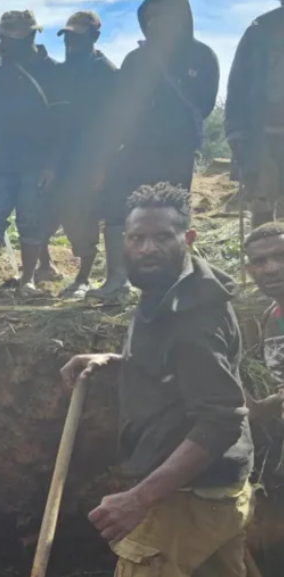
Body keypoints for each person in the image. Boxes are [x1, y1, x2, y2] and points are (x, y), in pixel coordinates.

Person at [61, 183, 254, 577]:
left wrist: (139, 499)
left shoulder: (192, 318)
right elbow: (178, 371)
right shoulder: (169, 290)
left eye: (162, 237)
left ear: (189, 238)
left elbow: (220, 419)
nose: (148, 248)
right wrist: (117, 360)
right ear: (123, 242)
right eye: (137, 238)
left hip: (185, 500)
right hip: (215, 493)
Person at [90, 0, 219, 300]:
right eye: (151, 17)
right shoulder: (136, 59)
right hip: (135, 149)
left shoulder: (201, 56)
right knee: (117, 210)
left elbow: (205, 103)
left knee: (170, 215)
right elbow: (118, 109)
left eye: (165, 16)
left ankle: (171, 281)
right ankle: (118, 280)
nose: (157, 22)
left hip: (177, 151)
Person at [0, 10, 65, 297]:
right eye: (1, 39)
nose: (1, 47)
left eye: (8, 41)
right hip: (0, 163)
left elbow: (61, 126)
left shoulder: (52, 73)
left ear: (29, 39)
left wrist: (51, 166)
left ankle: (27, 281)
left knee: (31, 223)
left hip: (35, 165)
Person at [37, 12, 118, 297]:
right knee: (42, 213)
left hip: (88, 159)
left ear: (94, 37)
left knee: (80, 216)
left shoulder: (106, 73)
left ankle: (84, 278)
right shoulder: (60, 72)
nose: (71, 42)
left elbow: (114, 125)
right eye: (68, 37)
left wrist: (101, 166)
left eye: (78, 37)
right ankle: (43, 267)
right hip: (56, 157)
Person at [227, 1, 284, 228]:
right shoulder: (260, 29)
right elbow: (238, 89)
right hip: (264, 140)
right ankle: (264, 262)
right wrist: (237, 137)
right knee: (263, 212)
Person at [241, 222, 284, 421]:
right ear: (250, 271)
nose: (271, 269)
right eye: (259, 261)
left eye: (280, 256)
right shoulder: (271, 319)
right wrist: (256, 409)